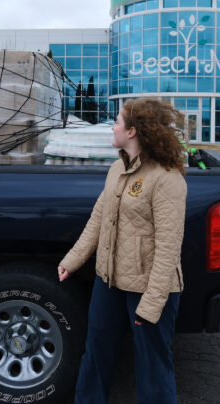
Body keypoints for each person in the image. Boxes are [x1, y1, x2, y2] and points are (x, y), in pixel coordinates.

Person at [57, 98, 188, 404]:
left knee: (153, 367)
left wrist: (152, 305)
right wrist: (72, 261)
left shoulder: (166, 178)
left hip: (149, 288)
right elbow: (98, 219)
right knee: (96, 352)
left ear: (132, 132)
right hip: (109, 280)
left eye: (117, 121)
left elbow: (169, 249)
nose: (112, 127)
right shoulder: (117, 168)